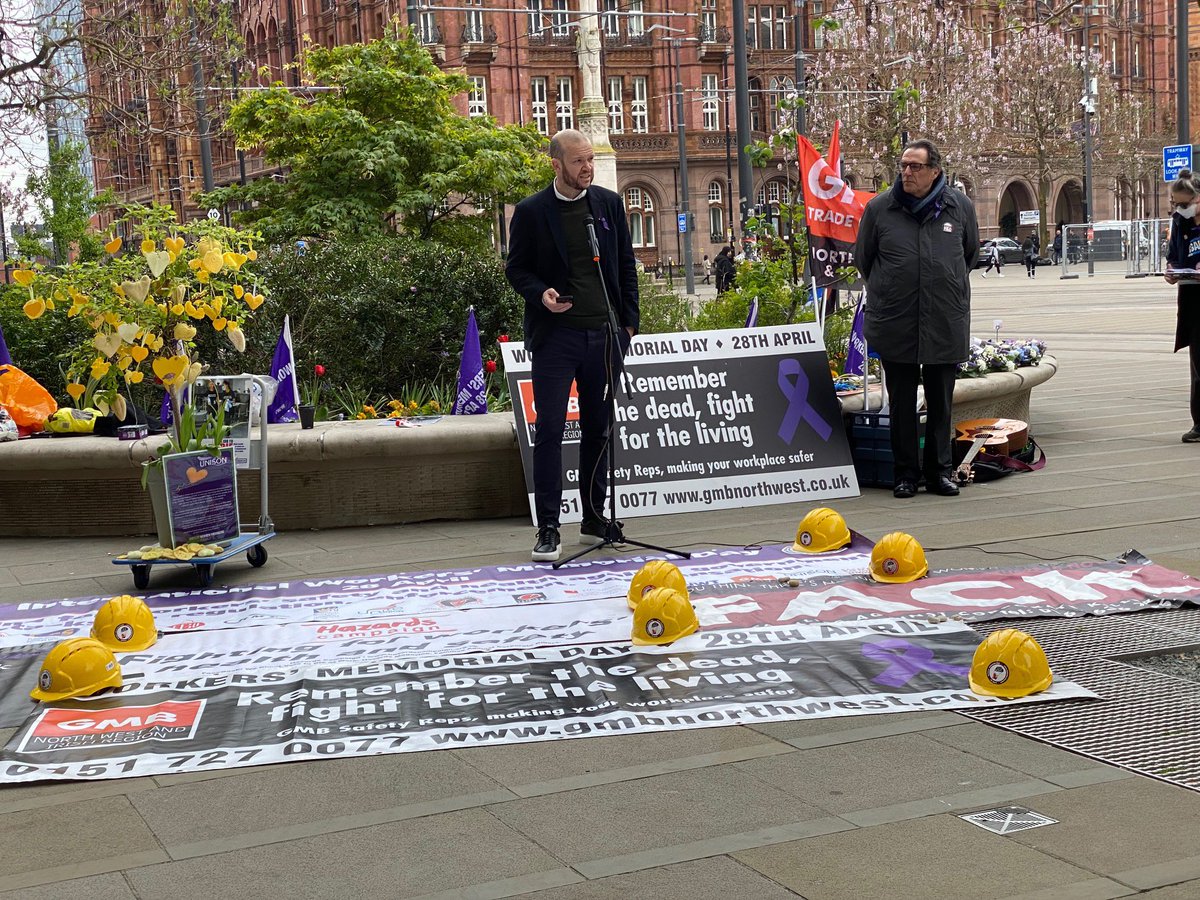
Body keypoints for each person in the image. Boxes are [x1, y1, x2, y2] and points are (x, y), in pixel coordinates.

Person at [505, 129, 640, 561]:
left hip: (604, 337)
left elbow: (624, 266)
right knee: (549, 430)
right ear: (556, 164)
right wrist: (540, 292)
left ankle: (593, 516)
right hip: (556, 338)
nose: (587, 168)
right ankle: (548, 527)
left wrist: (629, 326)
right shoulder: (531, 212)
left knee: (598, 428)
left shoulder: (608, 204)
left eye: (590, 160)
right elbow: (517, 268)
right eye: (579, 161)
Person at [855, 138, 979, 499]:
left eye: (915, 166)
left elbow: (968, 256)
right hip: (897, 319)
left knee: (942, 401)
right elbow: (865, 260)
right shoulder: (880, 208)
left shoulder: (960, 207)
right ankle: (905, 474)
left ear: (935, 171)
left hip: (943, 318)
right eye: (904, 166)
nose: (907, 172)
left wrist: (943, 283)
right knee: (902, 401)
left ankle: (940, 471)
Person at [1163, 168, 1200, 443]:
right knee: (1198, 362)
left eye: (1185, 204)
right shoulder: (1179, 222)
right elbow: (1174, 256)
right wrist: (1172, 271)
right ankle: (1199, 424)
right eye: (1176, 204)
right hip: (1192, 297)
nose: (1180, 209)